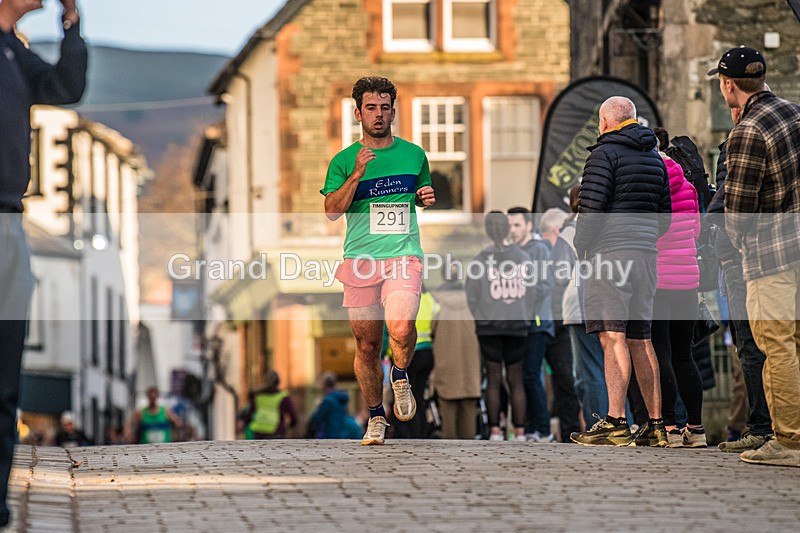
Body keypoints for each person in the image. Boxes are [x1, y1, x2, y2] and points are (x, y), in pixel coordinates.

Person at [0, 0, 86, 526]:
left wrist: (71, 23)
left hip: (11, 223)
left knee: (7, 382)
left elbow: (66, 88)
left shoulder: (14, 52)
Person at [321, 76, 436, 445]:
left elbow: (416, 194)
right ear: (358, 113)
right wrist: (356, 173)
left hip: (403, 254)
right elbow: (331, 211)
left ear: (393, 111)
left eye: (385, 107)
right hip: (361, 260)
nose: (379, 114)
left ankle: (400, 374)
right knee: (367, 345)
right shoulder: (342, 161)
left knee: (401, 328)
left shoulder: (414, 155)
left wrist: (423, 197)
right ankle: (375, 417)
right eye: (371, 108)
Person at [712, 46, 800, 467]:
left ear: (728, 84)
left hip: (770, 255)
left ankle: (790, 441)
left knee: (775, 345)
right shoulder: (793, 113)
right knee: (794, 344)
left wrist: (733, 238)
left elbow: (738, 211)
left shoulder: (747, 132)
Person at [571, 96, 671, 447]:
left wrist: (581, 246)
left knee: (612, 335)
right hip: (645, 256)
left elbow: (591, 209)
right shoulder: (655, 156)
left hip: (610, 255)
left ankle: (615, 421)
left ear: (605, 122)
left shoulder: (604, 153)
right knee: (640, 337)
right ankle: (656, 424)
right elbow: (665, 216)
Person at [708, 106, 773, 453]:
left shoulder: (737, 148)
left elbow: (730, 206)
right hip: (754, 258)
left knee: (752, 347)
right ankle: (764, 426)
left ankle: (764, 428)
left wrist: (727, 245)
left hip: (745, 259)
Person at [650, 128, 706, 448]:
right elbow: (696, 231)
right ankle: (696, 429)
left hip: (658, 280)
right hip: (688, 281)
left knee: (662, 354)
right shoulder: (686, 182)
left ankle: (669, 428)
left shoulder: (651, 180)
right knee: (685, 355)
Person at [466, 211, 534, 441]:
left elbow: (471, 296)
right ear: (507, 228)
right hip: (518, 324)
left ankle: (495, 430)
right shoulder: (524, 258)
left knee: (493, 378)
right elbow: (535, 290)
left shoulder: (479, 260)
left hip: (489, 326)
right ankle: (521, 431)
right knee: (516, 378)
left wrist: (482, 316)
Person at [506, 207, 555, 442]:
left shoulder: (540, 249)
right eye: (509, 225)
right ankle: (532, 429)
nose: (512, 230)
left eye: (517, 225)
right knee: (523, 377)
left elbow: (545, 284)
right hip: (519, 325)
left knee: (531, 376)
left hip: (537, 323)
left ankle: (543, 430)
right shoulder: (512, 251)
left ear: (528, 225)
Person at [431, 266, 482, 439]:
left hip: (445, 370)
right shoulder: (473, 300)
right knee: (469, 427)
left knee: (448, 429)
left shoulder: (435, 301)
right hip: (471, 371)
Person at [239, 370, 298, 439]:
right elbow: (293, 417)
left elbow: (249, 414)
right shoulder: (283, 397)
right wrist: (290, 426)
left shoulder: (258, 396)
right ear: (278, 383)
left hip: (259, 433)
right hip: (276, 433)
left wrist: (244, 423)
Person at [308, 372, 362, 440]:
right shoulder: (341, 398)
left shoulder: (328, 400)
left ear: (324, 385)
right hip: (343, 432)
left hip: (330, 433)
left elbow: (316, 417)